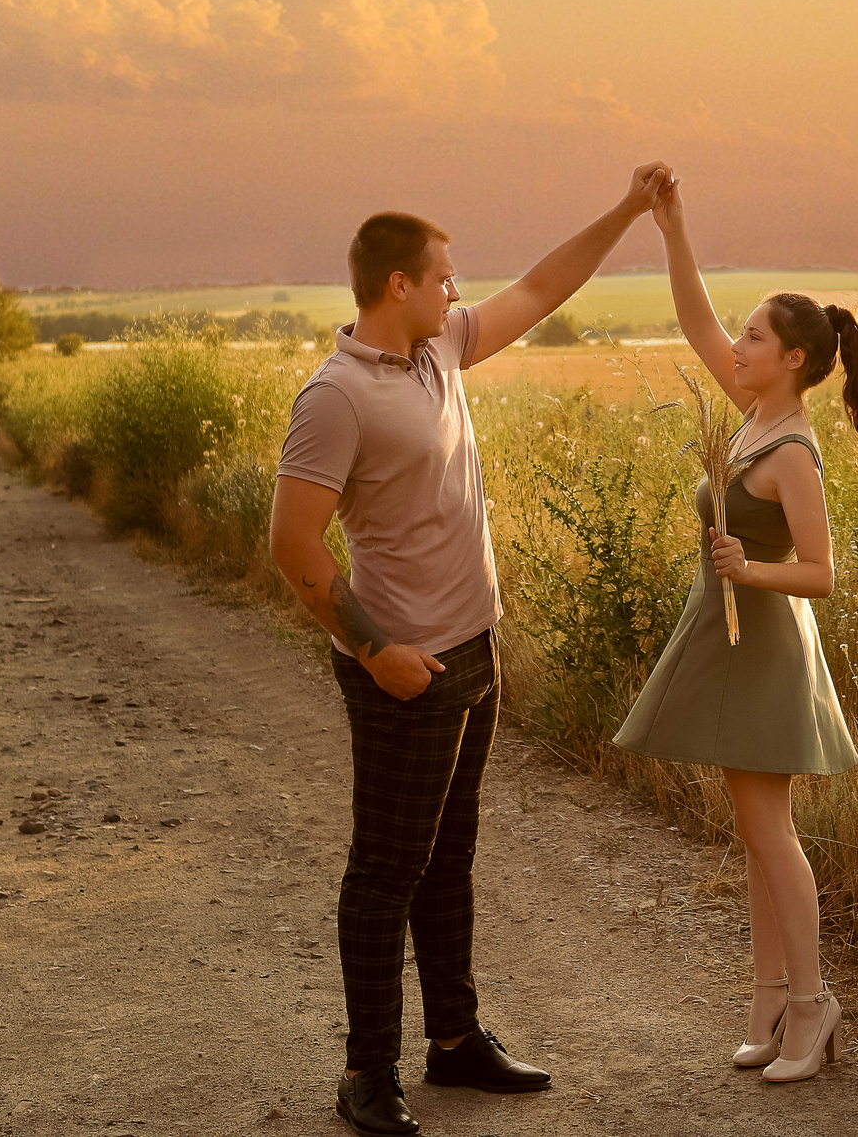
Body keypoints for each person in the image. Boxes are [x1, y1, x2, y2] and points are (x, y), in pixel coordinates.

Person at [270, 163, 669, 1137]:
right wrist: (376, 653)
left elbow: (542, 285)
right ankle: (366, 1073)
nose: (458, 288)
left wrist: (626, 208)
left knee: (449, 858)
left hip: (473, 651)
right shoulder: (335, 398)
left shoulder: (439, 347)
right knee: (385, 871)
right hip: (404, 672)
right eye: (443, 275)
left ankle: (453, 1039)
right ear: (396, 283)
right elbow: (292, 546)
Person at [612, 173, 858, 1084]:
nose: (735, 345)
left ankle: (812, 1006)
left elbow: (821, 573)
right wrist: (673, 228)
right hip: (733, 640)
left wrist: (748, 568)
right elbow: (695, 319)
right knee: (754, 831)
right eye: (741, 335)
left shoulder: (791, 452)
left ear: (792, 358)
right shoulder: (751, 414)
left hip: (767, 648)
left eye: (752, 337)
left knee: (770, 832)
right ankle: (771, 999)